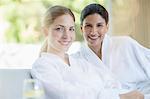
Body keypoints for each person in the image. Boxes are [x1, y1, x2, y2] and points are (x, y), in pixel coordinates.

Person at [32, 5, 144, 99]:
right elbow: (66, 94)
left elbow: (110, 82)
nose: (67, 35)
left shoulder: (78, 62)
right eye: (59, 28)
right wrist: (118, 96)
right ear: (45, 31)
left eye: (71, 29)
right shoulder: (42, 65)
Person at [78, 3, 150, 98]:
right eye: (88, 26)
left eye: (99, 25)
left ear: (107, 27)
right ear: (81, 28)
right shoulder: (76, 60)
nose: (93, 32)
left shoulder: (125, 44)